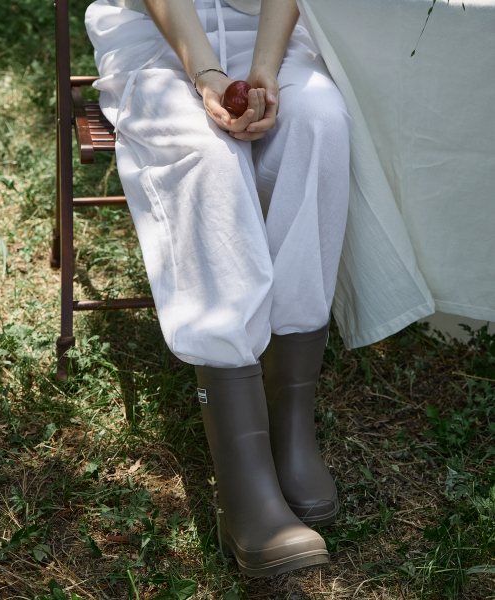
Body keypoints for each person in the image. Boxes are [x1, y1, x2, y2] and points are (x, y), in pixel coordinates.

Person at [86, 0, 351, 577]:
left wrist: (266, 69)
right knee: (208, 155)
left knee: (320, 123)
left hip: (266, 26)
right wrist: (207, 75)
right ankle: (244, 477)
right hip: (158, 35)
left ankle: (290, 424)